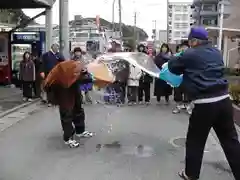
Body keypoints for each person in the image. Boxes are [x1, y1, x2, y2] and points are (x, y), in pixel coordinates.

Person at [167, 26, 240, 180]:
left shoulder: (190, 53)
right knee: (231, 142)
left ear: (193, 41)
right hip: (224, 101)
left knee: (195, 141)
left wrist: (181, 53)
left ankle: (191, 174)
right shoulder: (216, 52)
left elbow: (173, 67)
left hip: (205, 104)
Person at [45, 61, 94, 148]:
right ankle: (68, 138)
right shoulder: (63, 74)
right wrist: (90, 78)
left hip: (73, 89)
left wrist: (90, 77)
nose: (79, 72)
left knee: (78, 108)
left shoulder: (75, 68)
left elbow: (80, 78)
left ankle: (80, 131)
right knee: (67, 113)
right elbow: (77, 78)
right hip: (64, 90)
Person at [172, 41, 192, 114]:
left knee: (188, 93)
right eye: (182, 47)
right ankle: (178, 107)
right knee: (177, 92)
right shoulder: (176, 56)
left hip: (188, 78)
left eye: (185, 47)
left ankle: (188, 107)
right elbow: (172, 66)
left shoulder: (191, 56)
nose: (183, 49)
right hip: (177, 77)